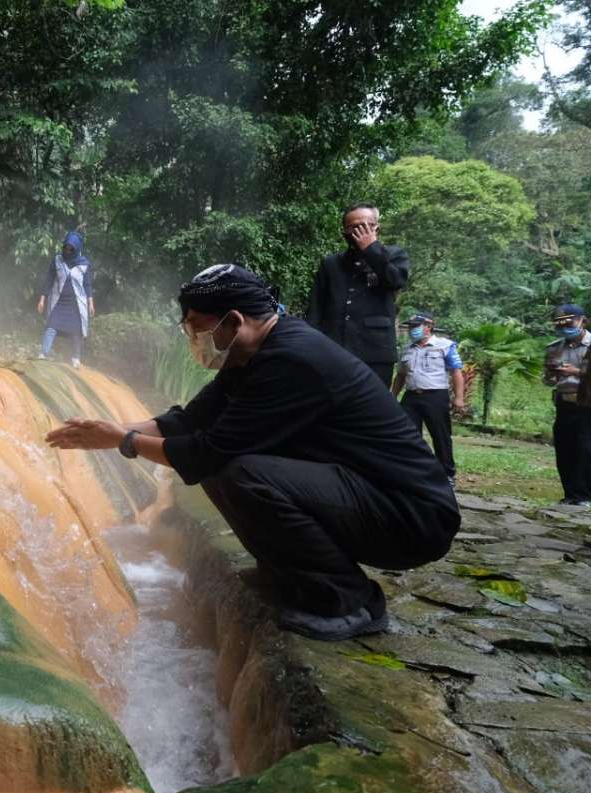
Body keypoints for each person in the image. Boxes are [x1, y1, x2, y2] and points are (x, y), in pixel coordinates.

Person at [45, 264, 459, 641]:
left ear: (235, 321)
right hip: (364, 495)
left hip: (411, 516)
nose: (192, 338)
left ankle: (350, 601)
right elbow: (190, 421)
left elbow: (205, 452)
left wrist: (123, 441)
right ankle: (291, 578)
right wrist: (108, 431)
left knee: (238, 472)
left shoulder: (293, 360)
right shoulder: (251, 357)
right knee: (223, 466)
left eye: (195, 326)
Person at [306, 204, 410, 387]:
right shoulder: (331, 263)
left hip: (376, 352)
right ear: (344, 231)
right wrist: (312, 345)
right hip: (333, 350)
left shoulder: (394, 255)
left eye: (367, 225)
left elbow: (395, 281)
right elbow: (316, 308)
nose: (361, 230)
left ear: (377, 227)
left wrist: (371, 249)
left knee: (374, 409)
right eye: (354, 226)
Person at [391, 311, 467, 487]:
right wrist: (393, 396)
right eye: (410, 327)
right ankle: (413, 471)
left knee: (440, 436)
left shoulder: (444, 346)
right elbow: (401, 376)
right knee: (408, 435)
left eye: (415, 327)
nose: (412, 330)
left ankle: (447, 473)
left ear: (429, 327)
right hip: (411, 397)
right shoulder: (407, 349)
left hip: (436, 396)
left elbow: (456, 372)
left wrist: (459, 398)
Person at [543, 303, 591, 507]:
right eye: (559, 325)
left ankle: (584, 496)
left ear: (583, 321)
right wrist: (552, 376)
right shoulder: (555, 348)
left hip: (587, 404)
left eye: (569, 324)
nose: (564, 328)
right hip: (564, 403)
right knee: (564, 449)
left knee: (585, 449)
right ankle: (570, 494)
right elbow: (546, 380)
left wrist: (576, 372)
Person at [37, 231, 94, 368]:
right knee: (51, 326)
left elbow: (87, 285)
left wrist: (90, 303)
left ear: (77, 249)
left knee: (76, 331)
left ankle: (76, 358)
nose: (68, 251)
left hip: (76, 304)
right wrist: (42, 299)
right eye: (66, 248)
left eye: (71, 249)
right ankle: (43, 354)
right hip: (59, 302)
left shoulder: (84, 264)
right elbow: (49, 280)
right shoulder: (57, 260)